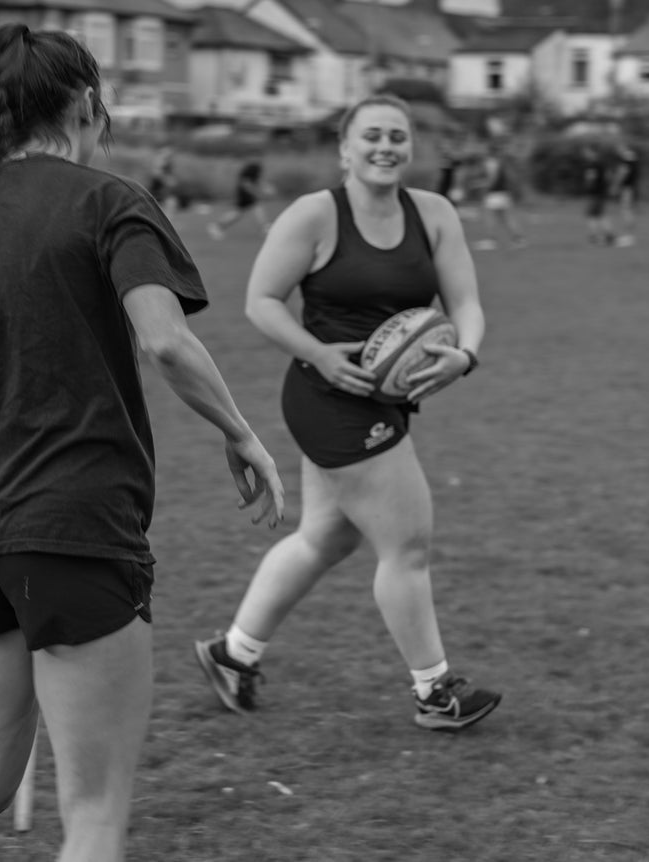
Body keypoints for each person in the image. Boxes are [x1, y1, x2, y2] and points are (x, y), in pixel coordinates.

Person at [0, 24, 287, 862]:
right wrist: (241, 432)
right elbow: (165, 341)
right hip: (77, 531)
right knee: (93, 816)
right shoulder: (111, 203)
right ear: (85, 103)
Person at [193, 93, 502, 733]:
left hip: (387, 398)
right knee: (407, 544)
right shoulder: (315, 215)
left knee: (325, 538)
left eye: (397, 136)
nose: (386, 147)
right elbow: (261, 301)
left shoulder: (434, 214)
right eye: (372, 136)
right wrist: (319, 355)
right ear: (344, 150)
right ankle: (434, 692)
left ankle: (233, 654)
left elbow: (466, 302)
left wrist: (465, 355)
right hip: (328, 399)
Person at [474, 144, 526, 251]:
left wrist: (480, 184)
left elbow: (491, 180)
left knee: (489, 216)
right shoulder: (502, 162)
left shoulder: (491, 162)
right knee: (507, 218)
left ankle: (491, 240)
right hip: (504, 193)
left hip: (494, 194)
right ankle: (518, 239)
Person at [207, 159, 273, 239]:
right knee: (255, 207)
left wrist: (264, 189)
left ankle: (218, 226)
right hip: (244, 192)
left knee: (238, 212)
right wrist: (256, 193)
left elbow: (257, 182)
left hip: (244, 192)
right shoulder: (253, 169)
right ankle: (265, 227)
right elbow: (246, 184)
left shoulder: (254, 170)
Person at [580, 143, 613, 246]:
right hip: (602, 193)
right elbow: (608, 176)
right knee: (601, 214)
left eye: (586, 152)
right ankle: (609, 236)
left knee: (591, 215)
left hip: (594, 194)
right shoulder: (602, 163)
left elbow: (591, 178)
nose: (585, 154)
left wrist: (587, 187)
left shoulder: (592, 164)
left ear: (592, 152)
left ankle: (593, 237)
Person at [610, 141, 642, 246]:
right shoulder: (634, 158)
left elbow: (622, 173)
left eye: (618, 148)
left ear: (623, 147)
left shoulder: (626, 159)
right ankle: (630, 236)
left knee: (626, 210)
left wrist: (615, 186)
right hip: (632, 188)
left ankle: (629, 237)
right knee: (628, 210)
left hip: (627, 189)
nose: (617, 151)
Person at [147, 143, 179, 215]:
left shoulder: (166, 163)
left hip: (163, 190)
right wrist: (167, 180)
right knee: (167, 203)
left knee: (170, 203)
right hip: (159, 190)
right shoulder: (159, 161)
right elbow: (156, 174)